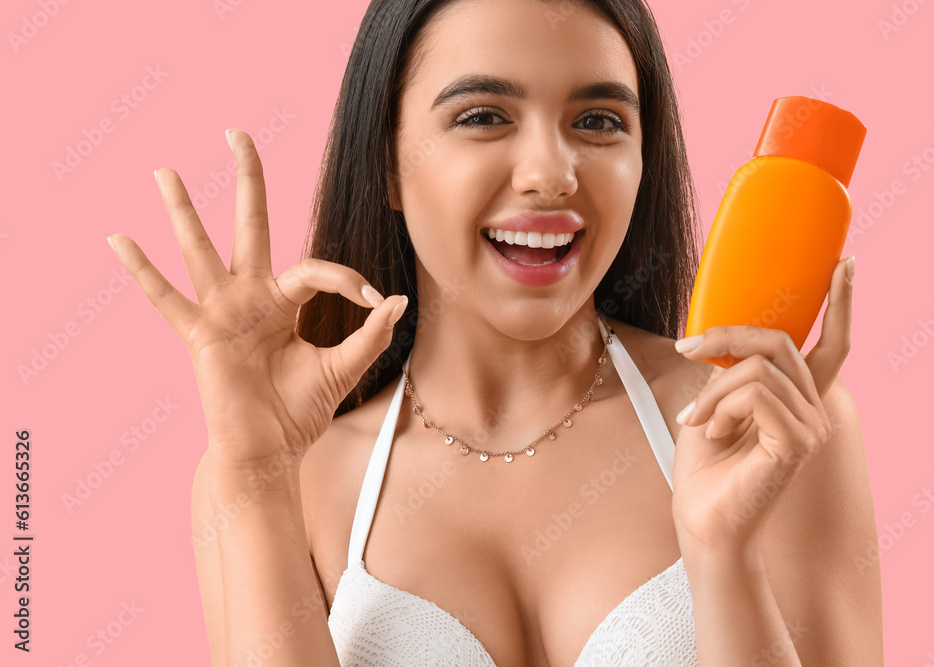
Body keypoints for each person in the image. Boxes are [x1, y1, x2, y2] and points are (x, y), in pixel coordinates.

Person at [108, 0, 883, 664]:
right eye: (483, 116)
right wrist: (254, 474)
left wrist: (723, 555)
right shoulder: (281, 471)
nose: (550, 170)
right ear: (386, 161)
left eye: (598, 120)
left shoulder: (764, 429)